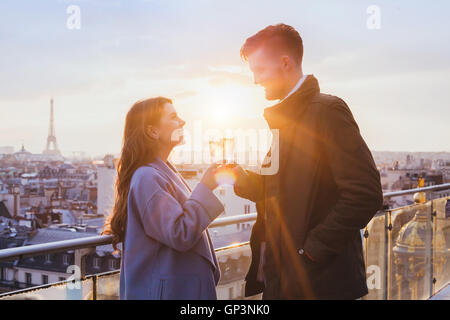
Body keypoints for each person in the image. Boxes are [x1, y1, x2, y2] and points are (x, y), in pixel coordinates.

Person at [231, 24, 384, 299]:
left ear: (285, 63)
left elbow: (365, 194)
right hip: (291, 280)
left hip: (320, 283)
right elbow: (280, 190)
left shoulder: (326, 111)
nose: (255, 80)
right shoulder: (288, 119)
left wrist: (310, 252)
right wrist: (237, 177)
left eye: (259, 70)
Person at [102, 97, 224, 300]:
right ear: (152, 131)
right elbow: (178, 233)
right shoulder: (148, 177)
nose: (182, 122)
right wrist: (206, 186)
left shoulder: (159, 172)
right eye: (174, 117)